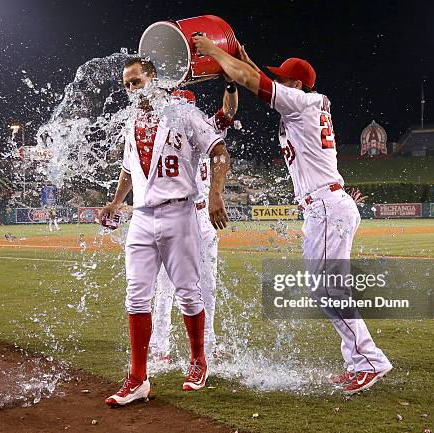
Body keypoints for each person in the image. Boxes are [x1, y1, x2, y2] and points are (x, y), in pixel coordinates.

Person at [194, 36, 392, 395]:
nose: (278, 82)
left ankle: (370, 361)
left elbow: (254, 82)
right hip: (323, 208)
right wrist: (240, 57)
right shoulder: (303, 103)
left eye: (283, 79)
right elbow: (255, 76)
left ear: (296, 84)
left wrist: (214, 52)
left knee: (329, 290)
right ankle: (359, 361)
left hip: (328, 207)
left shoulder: (301, 102)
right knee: (326, 290)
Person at [100, 57, 230, 407]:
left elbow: (219, 151)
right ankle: (139, 378)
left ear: (153, 78)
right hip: (141, 217)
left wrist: (216, 194)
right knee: (136, 296)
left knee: (188, 292)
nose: (131, 88)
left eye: (136, 81)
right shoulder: (131, 122)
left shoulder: (181, 112)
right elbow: (128, 169)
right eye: (126, 84)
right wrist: (115, 202)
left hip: (179, 211)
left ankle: (199, 361)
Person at [150, 83, 237, 363]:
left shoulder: (203, 125)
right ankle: (159, 347)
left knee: (208, 284)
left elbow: (228, 112)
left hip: (202, 215)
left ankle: (207, 346)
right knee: (166, 284)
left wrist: (230, 83)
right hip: (179, 212)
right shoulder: (160, 134)